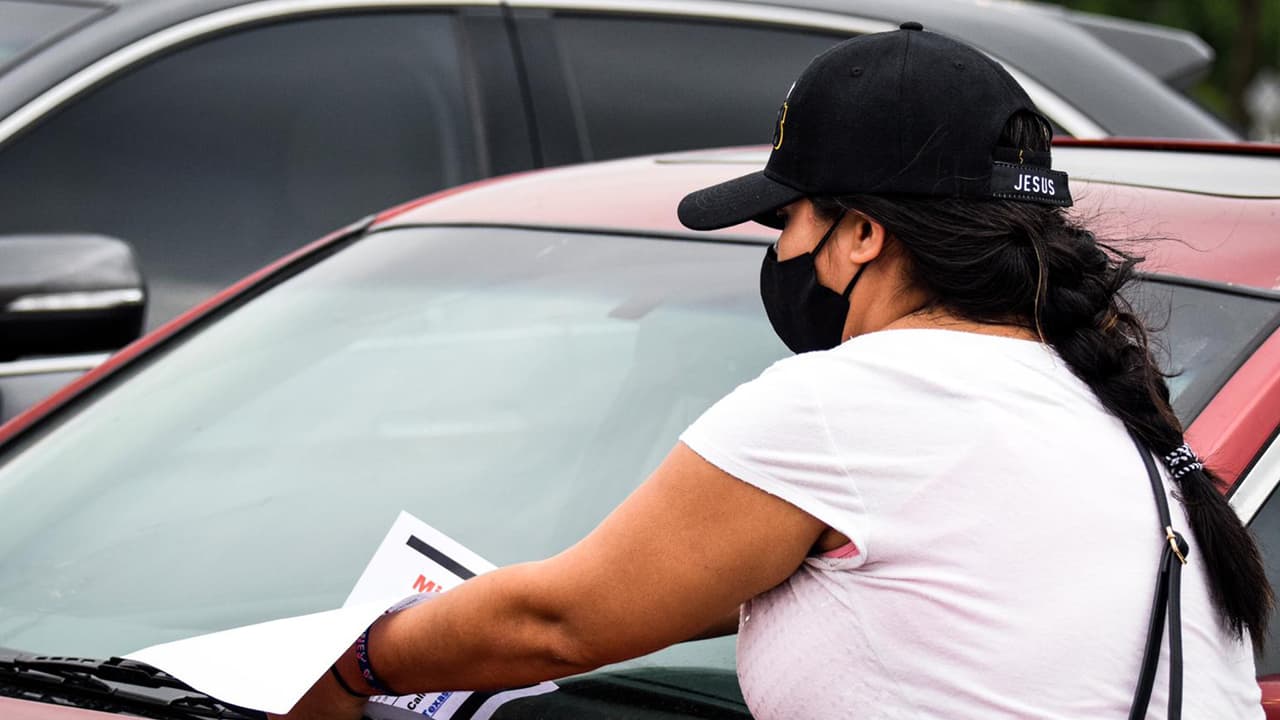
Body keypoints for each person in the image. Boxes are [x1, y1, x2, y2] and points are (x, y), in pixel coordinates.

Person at [276, 24, 1271, 719]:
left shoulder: (855, 403)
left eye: (784, 217)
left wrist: (357, 661)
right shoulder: (1093, 415)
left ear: (859, 236)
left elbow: (555, 623)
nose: (778, 247)